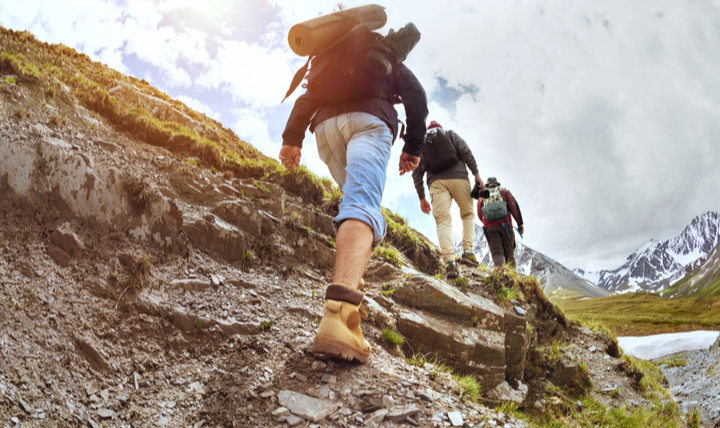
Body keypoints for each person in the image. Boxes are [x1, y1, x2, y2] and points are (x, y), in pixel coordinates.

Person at [279, 34, 428, 363]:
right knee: (361, 205)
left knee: (353, 203)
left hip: (326, 131)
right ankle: (340, 317)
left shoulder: (328, 55)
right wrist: (413, 147)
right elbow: (416, 95)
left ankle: (352, 285)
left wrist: (292, 139)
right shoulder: (386, 55)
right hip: (369, 122)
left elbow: (307, 98)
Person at [412, 121, 484, 279]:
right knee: (467, 214)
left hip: (436, 184)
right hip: (459, 178)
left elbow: (416, 173)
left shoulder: (422, 145)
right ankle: (467, 252)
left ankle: (450, 264)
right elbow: (466, 151)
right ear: (440, 129)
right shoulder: (449, 134)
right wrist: (476, 174)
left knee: (443, 221)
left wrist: (422, 198)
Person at [477, 177, 524, 267]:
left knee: (497, 253)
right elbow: (514, 206)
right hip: (507, 227)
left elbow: (480, 214)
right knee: (509, 254)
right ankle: (512, 278)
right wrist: (520, 224)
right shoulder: (504, 191)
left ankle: (501, 277)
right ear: (497, 185)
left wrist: (488, 223)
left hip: (491, 229)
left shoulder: (482, 196)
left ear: (487, 185)